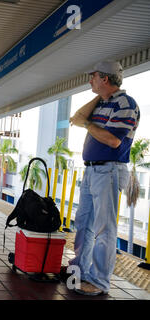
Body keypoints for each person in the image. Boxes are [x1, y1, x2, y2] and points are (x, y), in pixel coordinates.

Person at [68, 60, 140, 295]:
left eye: (94, 77)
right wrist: (98, 97)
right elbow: (76, 117)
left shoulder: (125, 104)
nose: (90, 80)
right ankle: (79, 270)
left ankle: (99, 282)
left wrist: (88, 124)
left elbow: (113, 140)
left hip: (108, 170)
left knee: (103, 229)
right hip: (92, 170)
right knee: (84, 223)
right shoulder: (103, 103)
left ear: (105, 79)